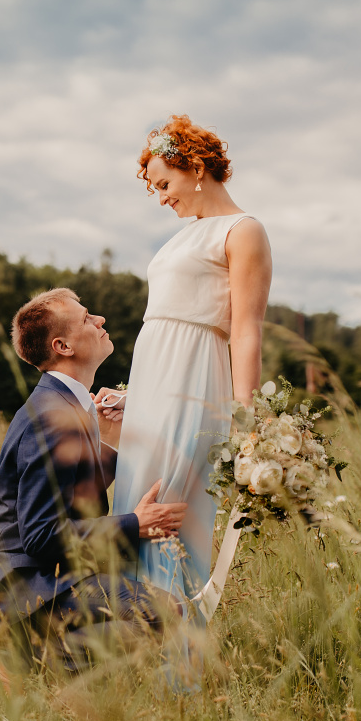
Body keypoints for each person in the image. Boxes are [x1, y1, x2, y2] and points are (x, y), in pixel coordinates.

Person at [99, 115, 273, 620]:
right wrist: (138, 394)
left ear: (195, 167)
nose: (160, 198)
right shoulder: (181, 237)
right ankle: (128, 643)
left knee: (167, 510)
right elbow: (165, 326)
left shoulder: (244, 231)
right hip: (155, 385)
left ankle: (176, 660)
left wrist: (246, 418)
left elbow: (245, 329)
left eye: (164, 184)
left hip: (196, 381)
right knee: (136, 511)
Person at [0, 288, 188, 672]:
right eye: (86, 318)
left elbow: (71, 493)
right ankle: (35, 660)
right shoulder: (51, 417)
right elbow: (40, 535)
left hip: (41, 574)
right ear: (63, 345)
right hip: (26, 585)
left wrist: (108, 443)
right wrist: (137, 524)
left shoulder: (65, 404)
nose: (99, 320)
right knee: (159, 611)